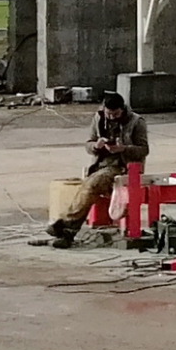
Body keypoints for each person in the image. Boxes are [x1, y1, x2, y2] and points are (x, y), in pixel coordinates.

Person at [43, 92, 148, 247]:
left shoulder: (136, 122)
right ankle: (67, 231)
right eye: (109, 114)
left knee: (92, 184)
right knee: (87, 187)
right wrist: (96, 146)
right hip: (100, 165)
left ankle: (66, 225)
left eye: (116, 114)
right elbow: (88, 144)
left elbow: (144, 150)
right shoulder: (99, 118)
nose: (112, 117)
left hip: (122, 167)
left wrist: (123, 149)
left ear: (123, 109)